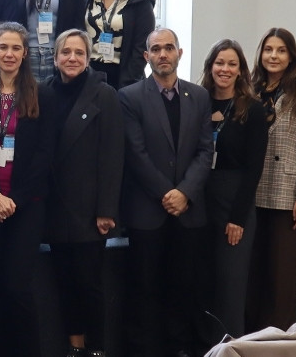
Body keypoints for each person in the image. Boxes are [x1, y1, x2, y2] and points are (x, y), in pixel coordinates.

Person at [117, 28, 213, 357]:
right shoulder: (129, 97)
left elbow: (205, 151)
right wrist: (167, 193)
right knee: (144, 289)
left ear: (179, 53)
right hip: (147, 211)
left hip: (188, 212)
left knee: (183, 287)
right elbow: (136, 154)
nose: (162, 54)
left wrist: (184, 192)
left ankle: (179, 349)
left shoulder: (199, 96)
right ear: (146, 56)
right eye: (156, 49)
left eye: (168, 48)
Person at [0, 22, 56, 357]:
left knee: (17, 287)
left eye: (16, 48)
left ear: (25, 53)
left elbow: (45, 155)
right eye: (3, 47)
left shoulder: (42, 94)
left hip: (27, 205)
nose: (9, 54)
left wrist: (14, 200)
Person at [45, 29, 124, 357]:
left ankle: (97, 348)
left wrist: (106, 209)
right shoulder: (44, 92)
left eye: (79, 52)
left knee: (89, 285)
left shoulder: (104, 95)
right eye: (66, 52)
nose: (72, 58)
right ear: (55, 58)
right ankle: (75, 347)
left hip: (90, 211)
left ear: (89, 57)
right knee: (64, 283)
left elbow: (113, 156)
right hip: (54, 206)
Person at [245, 27, 296, 332]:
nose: (274, 56)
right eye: (268, 49)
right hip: (250, 189)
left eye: (281, 50)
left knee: (283, 271)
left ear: (291, 57)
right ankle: (249, 333)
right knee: (252, 268)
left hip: (286, 193)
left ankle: (279, 335)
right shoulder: (247, 90)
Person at [198, 39, 267, 342]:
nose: (224, 69)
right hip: (200, 199)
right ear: (210, 66)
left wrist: (237, 218)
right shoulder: (197, 102)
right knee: (203, 279)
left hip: (234, 203)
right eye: (219, 63)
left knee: (230, 283)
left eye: (231, 64)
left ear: (241, 71)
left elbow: (254, 169)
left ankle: (229, 347)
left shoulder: (253, 110)